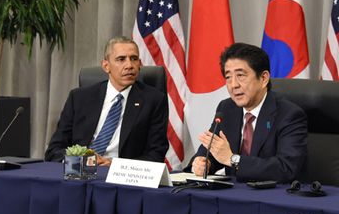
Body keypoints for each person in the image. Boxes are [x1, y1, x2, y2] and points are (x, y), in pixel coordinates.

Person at [188, 43, 307, 183]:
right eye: (228, 77)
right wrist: (203, 163)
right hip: (234, 195)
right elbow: (214, 151)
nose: (233, 85)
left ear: (263, 79)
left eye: (240, 75)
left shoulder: (289, 114)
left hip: (272, 197)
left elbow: (286, 168)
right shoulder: (227, 108)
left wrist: (233, 159)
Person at [45, 36, 168, 165]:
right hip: (80, 172)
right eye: (121, 59)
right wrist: (82, 161)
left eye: (134, 59)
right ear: (106, 66)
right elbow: (54, 151)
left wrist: (115, 165)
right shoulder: (79, 98)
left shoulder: (154, 100)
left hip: (121, 176)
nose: (129, 65)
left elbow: (156, 155)